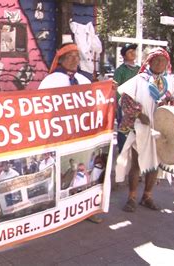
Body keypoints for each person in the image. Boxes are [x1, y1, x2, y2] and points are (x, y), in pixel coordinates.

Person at [39, 42, 103, 223]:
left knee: (83, 175)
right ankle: (59, 211)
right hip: (58, 135)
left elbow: (94, 104)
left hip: (80, 135)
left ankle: (85, 209)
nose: (75, 59)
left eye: (77, 56)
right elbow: (40, 107)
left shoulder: (84, 80)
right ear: (61, 60)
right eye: (70, 56)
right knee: (59, 172)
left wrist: (105, 90)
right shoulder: (51, 81)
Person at [116, 47, 174, 212]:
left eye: (163, 61)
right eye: (156, 60)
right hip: (141, 127)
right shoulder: (139, 80)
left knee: (154, 164)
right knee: (137, 163)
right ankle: (131, 198)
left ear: (167, 63)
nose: (160, 63)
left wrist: (170, 104)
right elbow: (125, 99)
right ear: (149, 62)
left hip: (162, 130)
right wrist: (139, 114)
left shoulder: (172, 82)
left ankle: (147, 196)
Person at [114, 43, 141, 152]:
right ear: (124, 56)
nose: (133, 53)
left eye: (134, 51)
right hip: (124, 106)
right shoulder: (120, 71)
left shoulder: (140, 70)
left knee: (139, 129)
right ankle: (123, 152)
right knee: (124, 131)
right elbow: (116, 89)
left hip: (139, 105)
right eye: (130, 52)